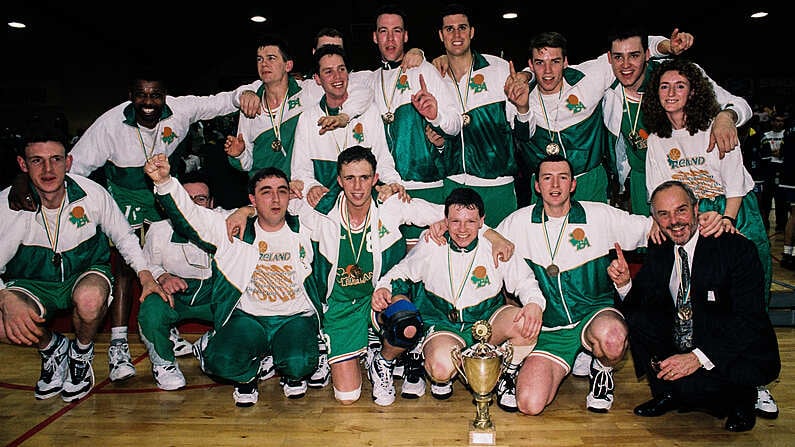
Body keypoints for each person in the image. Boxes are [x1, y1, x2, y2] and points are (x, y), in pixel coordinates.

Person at [6, 69, 261, 383]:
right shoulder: (109, 125)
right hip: (124, 199)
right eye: (142, 94)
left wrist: (244, 93)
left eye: (155, 94)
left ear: (165, 96)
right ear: (131, 96)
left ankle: (167, 329)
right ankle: (118, 345)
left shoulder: (181, 110)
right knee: (127, 267)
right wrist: (23, 182)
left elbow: (219, 102)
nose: (149, 102)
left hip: (162, 191)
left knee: (173, 255)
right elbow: (70, 165)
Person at [642, 59, 778, 418]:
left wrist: (727, 221)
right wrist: (656, 219)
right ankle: (681, 380)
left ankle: (752, 384)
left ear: (694, 91)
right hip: (687, 214)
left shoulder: (716, 126)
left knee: (746, 300)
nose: (671, 93)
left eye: (680, 86)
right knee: (689, 300)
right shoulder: (657, 138)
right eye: (664, 87)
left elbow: (734, 178)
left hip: (731, 210)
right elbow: (656, 188)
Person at [0, 115, 165, 402]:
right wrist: (4, 296)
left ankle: (81, 354)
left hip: (84, 272)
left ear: (69, 162)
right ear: (23, 165)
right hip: (31, 282)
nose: (48, 169)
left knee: (90, 300)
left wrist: (146, 274)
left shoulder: (92, 193)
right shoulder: (6, 205)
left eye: (56, 159)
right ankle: (51, 348)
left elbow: (124, 236)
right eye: (37, 161)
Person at [144, 154, 322, 407]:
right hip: (249, 318)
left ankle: (288, 370)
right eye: (266, 192)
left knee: (301, 363)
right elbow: (191, 216)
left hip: (293, 317)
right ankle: (247, 377)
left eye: (282, 191)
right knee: (222, 361)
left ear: (289, 197)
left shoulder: (305, 227)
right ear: (252, 199)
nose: (274, 199)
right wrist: (164, 182)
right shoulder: (232, 229)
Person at [611, 180, 780, 432]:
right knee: (638, 317)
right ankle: (667, 391)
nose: (674, 221)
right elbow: (643, 305)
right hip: (687, 337)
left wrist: (696, 358)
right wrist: (624, 283)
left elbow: (748, 321)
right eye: (663, 214)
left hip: (725, 347)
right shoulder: (660, 247)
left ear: (696, 208)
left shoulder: (735, 247)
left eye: (681, 210)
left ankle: (741, 401)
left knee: (705, 392)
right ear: (655, 218)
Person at [286, 145, 446, 406]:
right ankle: (348, 342)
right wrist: (244, 211)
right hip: (340, 306)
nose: (357, 186)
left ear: (375, 179)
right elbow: (272, 208)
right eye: (349, 178)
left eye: (364, 178)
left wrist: (447, 224)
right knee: (347, 397)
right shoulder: (320, 210)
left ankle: (382, 359)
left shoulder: (390, 206)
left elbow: (454, 213)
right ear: (339, 181)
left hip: (379, 298)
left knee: (406, 321)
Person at [495, 154, 653, 414]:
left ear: (573, 185)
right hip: (548, 329)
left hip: (593, 315)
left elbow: (651, 228)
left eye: (563, 177)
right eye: (547, 178)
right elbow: (481, 243)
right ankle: (572, 358)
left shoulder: (599, 215)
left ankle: (602, 369)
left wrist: (703, 223)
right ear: (537, 185)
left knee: (612, 339)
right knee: (529, 404)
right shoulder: (517, 222)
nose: (555, 185)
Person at [372, 187, 543, 407]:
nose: (462, 229)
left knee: (526, 321)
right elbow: (402, 271)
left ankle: (507, 374)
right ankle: (440, 358)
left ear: (482, 221)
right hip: (444, 323)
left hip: (486, 322)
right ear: (445, 221)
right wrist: (384, 286)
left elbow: (525, 282)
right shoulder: (433, 242)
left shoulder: (496, 246)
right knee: (441, 370)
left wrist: (535, 304)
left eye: (470, 222)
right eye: (455, 222)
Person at [519, 30, 687, 206]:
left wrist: (668, 46)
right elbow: (521, 136)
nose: (547, 71)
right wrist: (524, 80)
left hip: (589, 181)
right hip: (545, 185)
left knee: (596, 232)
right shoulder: (520, 92)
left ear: (565, 61)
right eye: (539, 63)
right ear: (531, 64)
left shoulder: (589, 78)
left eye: (555, 61)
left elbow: (634, 47)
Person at [602, 25, 751, 216]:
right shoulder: (607, 90)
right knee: (651, 241)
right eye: (618, 57)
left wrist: (727, 116)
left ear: (647, 55)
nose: (626, 65)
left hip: (691, 179)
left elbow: (740, 104)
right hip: (642, 179)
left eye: (634, 56)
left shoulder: (676, 76)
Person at [367, 4, 462, 248]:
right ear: (375, 37)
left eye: (396, 31)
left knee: (429, 270)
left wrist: (435, 116)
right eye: (384, 31)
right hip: (387, 192)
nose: (390, 39)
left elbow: (454, 124)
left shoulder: (424, 70)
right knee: (392, 270)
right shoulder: (366, 81)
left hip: (427, 187)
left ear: (406, 36)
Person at [431, 3, 533, 227]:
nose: (456, 34)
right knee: (457, 259)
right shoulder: (433, 77)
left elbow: (524, 134)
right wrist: (438, 144)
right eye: (449, 29)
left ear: (472, 32)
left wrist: (523, 106)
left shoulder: (497, 69)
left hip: (497, 187)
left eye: (462, 27)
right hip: (453, 184)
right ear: (441, 35)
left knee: (501, 255)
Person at [290, 44, 407, 212]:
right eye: (328, 72)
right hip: (325, 207)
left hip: (365, 205)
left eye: (341, 69)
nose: (337, 77)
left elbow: (383, 159)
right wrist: (311, 187)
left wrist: (393, 183)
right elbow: (300, 169)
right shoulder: (307, 119)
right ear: (317, 78)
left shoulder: (369, 111)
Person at [137, 170, 220, 391]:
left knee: (246, 306)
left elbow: (254, 212)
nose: (192, 205)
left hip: (214, 296)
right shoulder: (159, 229)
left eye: (200, 199)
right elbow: (145, 265)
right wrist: (162, 276)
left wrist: (244, 211)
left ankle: (211, 342)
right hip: (177, 297)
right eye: (186, 198)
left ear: (212, 203)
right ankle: (163, 363)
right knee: (151, 307)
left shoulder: (224, 220)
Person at [760, 113, 789, 232]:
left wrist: (779, 152)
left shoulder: (787, 134)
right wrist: (775, 152)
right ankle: (765, 225)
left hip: (783, 168)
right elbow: (764, 152)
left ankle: (781, 226)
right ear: (771, 122)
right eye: (776, 120)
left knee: (781, 199)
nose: (779, 123)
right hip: (768, 168)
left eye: (781, 121)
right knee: (766, 198)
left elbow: (785, 152)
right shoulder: (765, 135)